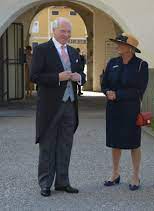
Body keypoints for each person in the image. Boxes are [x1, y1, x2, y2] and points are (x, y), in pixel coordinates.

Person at [30, 17, 86, 197]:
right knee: (47, 145)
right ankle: (45, 183)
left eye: (69, 32)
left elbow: (80, 74)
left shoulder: (72, 51)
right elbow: (35, 76)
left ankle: (63, 182)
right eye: (63, 31)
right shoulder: (42, 50)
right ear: (54, 31)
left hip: (70, 105)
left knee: (65, 144)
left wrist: (80, 78)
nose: (67, 35)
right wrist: (57, 77)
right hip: (50, 106)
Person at [101, 33, 148, 191]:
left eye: (120, 44)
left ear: (130, 48)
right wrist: (107, 91)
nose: (117, 46)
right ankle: (115, 173)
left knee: (134, 143)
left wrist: (118, 94)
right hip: (113, 109)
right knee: (115, 142)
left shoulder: (142, 65)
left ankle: (135, 175)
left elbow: (139, 91)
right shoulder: (112, 62)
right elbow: (105, 83)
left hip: (130, 109)